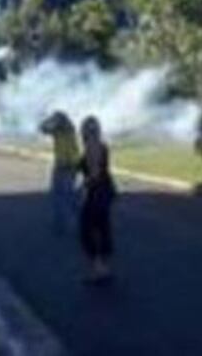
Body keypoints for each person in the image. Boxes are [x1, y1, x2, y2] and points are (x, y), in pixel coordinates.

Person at [78, 116, 117, 284]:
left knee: (87, 230)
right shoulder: (102, 145)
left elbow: (94, 172)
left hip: (96, 192)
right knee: (103, 227)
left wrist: (81, 186)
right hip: (106, 191)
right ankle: (104, 268)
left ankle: (98, 268)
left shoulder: (91, 146)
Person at [39, 111, 80, 235]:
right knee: (62, 196)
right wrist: (51, 120)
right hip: (66, 166)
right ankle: (62, 222)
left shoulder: (63, 131)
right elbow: (43, 129)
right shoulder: (64, 130)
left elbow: (43, 128)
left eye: (56, 120)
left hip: (65, 166)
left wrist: (49, 120)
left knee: (62, 196)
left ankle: (65, 223)